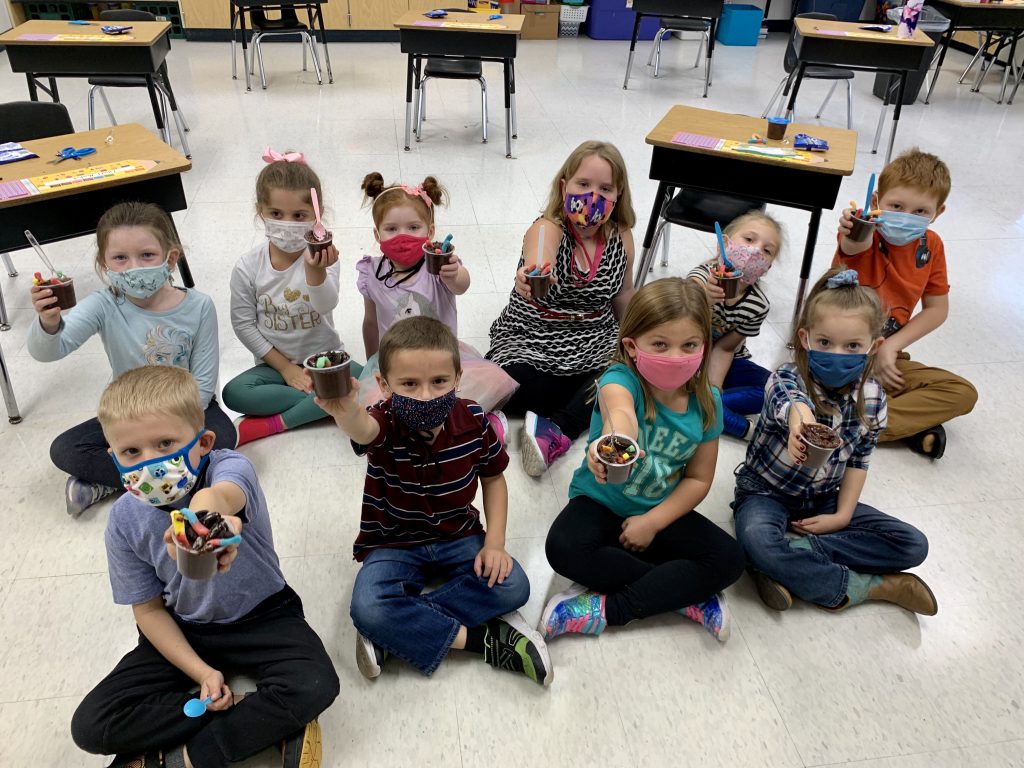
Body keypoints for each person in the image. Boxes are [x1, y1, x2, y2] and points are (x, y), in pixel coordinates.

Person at [70, 365, 339, 768]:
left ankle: (188, 755)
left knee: (316, 684)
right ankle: (250, 715)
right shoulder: (124, 520)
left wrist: (204, 522)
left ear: (203, 442)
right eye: (131, 452)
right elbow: (147, 611)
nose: (151, 463)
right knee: (91, 726)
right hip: (186, 629)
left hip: (264, 616)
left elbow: (222, 496)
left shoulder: (227, 467)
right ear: (113, 457)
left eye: (165, 443)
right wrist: (201, 674)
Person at [317, 316, 551, 685]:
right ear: (383, 384)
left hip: (458, 534)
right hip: (393, 542)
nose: (425, 395)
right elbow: (363, 429)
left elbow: (494, 480)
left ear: (458, 378)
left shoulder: (474, 420)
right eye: (409, 384)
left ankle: (396, 630)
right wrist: (344, 409)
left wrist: (495, 544)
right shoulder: (384, 418)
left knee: (515, 585)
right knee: (368, 606)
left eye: (439, 381)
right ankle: (485, 641)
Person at [541, 278, 744, 644]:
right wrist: (614, 441)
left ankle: (606, 609)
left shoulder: (708, 401)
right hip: (600, 502)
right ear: (632, 347)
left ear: (704, 346)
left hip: (660, 509)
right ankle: (682, 592)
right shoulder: (620, 378)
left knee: (729, 559)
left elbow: (698, 479)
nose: (675, 357)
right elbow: (620, 412)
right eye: (660, 345)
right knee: (562, 547)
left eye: (689, 345)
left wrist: (652, 522)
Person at [732, 268, 936, 615]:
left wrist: (842, 516)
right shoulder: (786, 376)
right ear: (806, 338)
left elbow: (859, 460)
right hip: (765, 493)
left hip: (825, 498)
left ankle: (787, 560)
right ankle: (866, 586)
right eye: (825, 342)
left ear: (875, 346)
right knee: (755, 538)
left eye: (853, 346)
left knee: (913, 545)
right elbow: (792, 404)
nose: (837, 354)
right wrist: (802, 424)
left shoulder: (873, 397)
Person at [28, 201, 235, 518]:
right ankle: (179, 483)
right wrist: (49, 324)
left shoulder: (199, 306)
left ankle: (123, 480)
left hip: (187, 410)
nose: (134, 267)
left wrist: (168, 425)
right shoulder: (103, 304)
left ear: (171, 258)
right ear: (104, 264)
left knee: (223, 438)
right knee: (65, 449)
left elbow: (204, 384)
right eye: (120, 258)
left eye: (147, 255)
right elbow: (51, 350)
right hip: (128, 416)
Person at [487, 140, 637, 477]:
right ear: (564, 185)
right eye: (583, 184)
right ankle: (562, 412)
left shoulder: (621, 236)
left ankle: (556, 430)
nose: (592, 195)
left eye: (605, 188)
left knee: (624, 378)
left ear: (618, 195)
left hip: (593, 340)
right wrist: (531, 276)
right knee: (515, 380)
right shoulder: (548, 227)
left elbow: (624, 294)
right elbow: (540, 257)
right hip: (534, 338)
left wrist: (633, 343)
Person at [835, 148, 976, 459]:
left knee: (962, 393)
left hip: (885, 353)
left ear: (938, 213)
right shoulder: (865, 229)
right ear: (876, 203)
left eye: (920, 212)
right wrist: (854, 226)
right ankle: (897, 424)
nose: (906, 217)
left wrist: (890, 346)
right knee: (829, 388)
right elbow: (852, 244)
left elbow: (937, 309)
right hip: (836, 351)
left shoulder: (932, 246)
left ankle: (855, 425)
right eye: (896, 206)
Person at [355, 173, 517, 438]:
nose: (402, 236)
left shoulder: (439, 267)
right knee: (382, 412)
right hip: (397, 365)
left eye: (413, 227)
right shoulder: (371, 274)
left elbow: (461, 285)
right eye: (391, 229)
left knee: (466, 394)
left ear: (430, 232)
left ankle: (486, 421)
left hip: (442, 361)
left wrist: (454, 274)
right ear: (377, 234)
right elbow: (371, 321)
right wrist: (373, 361)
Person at [222, 147, 361, 447]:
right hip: (273, 367)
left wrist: (315, 272)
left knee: (373, 382)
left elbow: (326, 305)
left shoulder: (326, 256)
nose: (287, 223)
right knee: (233, 393)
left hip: (325, 361)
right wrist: (285, 368)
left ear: (317, 215)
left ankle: (278, 423)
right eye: (276, 214)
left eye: (299, 215)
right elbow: (244, 325)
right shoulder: (248, 267)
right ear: (261, 211)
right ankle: (329, 405)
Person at [687, 210, 783, 440]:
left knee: (775, 389)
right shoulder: (701, 277)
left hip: (725, 362)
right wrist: (703, 298)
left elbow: (725, 348)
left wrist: (714, 387)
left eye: (767, 250)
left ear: (768, 267)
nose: (756, 250)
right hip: (686, 355)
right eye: (749, 239)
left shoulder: (758, 304)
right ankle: (737, 425)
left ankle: (704, 406)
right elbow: (680, 318)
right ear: (723, 245)